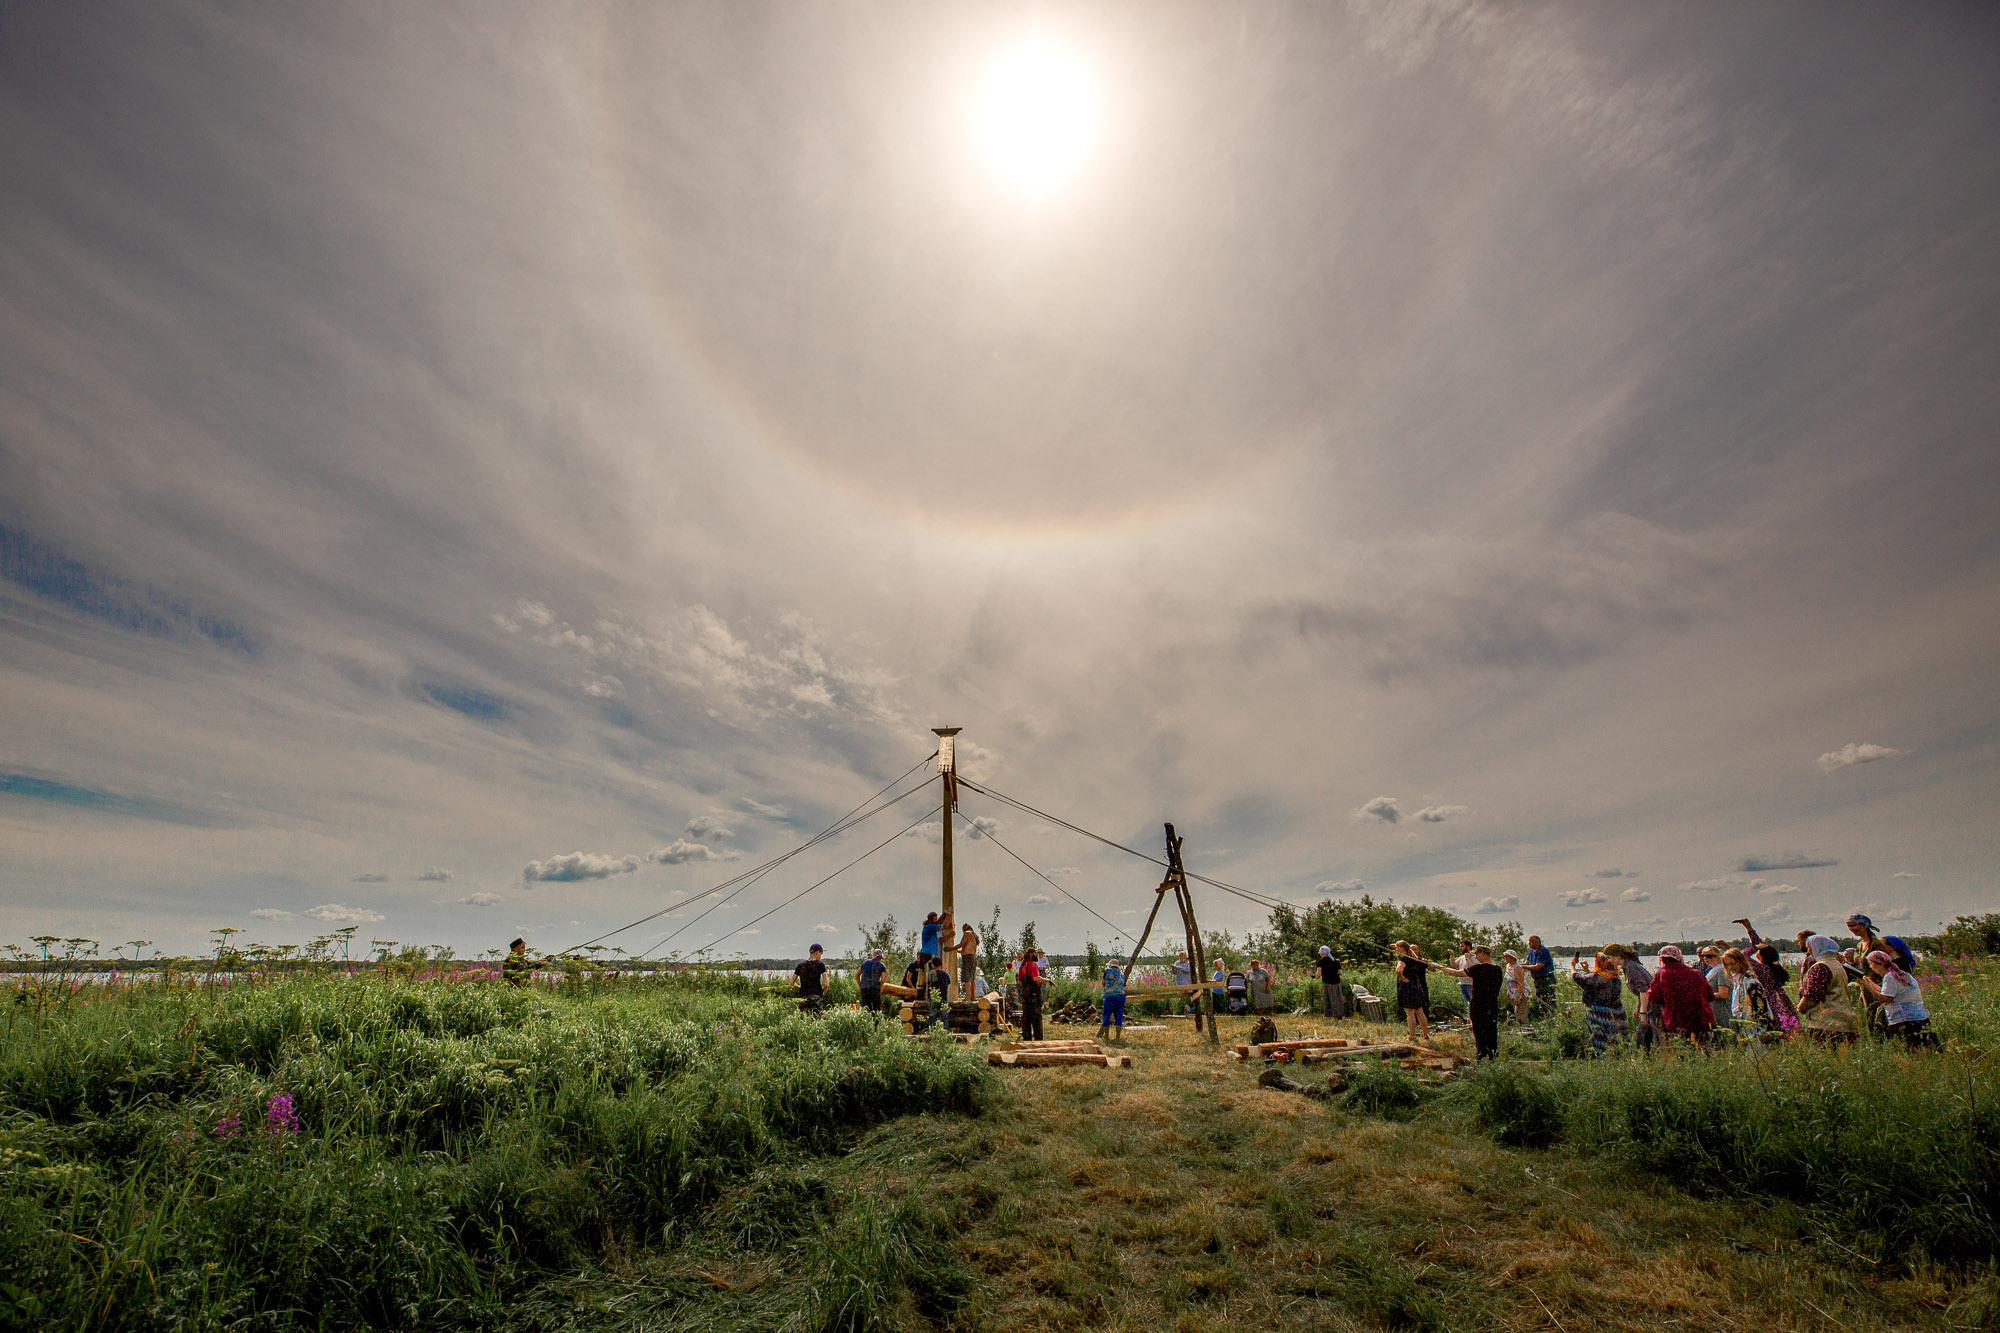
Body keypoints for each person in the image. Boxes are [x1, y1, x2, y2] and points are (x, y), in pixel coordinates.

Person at [1732, 920, 1800, 1033]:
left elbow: (1743, 955)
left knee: (1772, 1032)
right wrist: (1749, 929)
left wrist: (1755, 946)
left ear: (1762, 956)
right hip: (1782, 1000)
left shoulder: (1763, 969)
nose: (1756, 954)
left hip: (1768, 1001)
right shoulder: (1775, 968)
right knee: (1787, 1030)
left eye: (1758, 953)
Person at [1859, 950, 1936, 1048]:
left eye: (1871, 964)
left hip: (1905, 1020)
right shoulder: (1902, 974)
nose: (1870, 967)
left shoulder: (1889, 977)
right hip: (1920, 1017)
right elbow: (1886, 993)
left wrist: (1867, 986)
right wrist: (1869, 983)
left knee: (1912, 1050)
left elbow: (1885, 999)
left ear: (1879, 964)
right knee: (1926, 1049)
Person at [1643, 946, 1714, 1046]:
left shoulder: (1661, 974)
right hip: (1699, 1018)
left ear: (1662, 959)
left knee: (1680, 1050)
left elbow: (1654, 997)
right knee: (1704, 1049)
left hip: (1675, 1020)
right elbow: (1710, 995)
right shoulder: (1696, 973)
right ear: (1679, 957)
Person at [1395, 941, 1464, 1043]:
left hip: (1407, 987)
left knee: (1410, 1013)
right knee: (1420, 1011)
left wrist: (1402, 978)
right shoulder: (1415, 959)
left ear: (1401, 948)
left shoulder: (1403, 959)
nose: (1395, 949)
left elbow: (1398, 970)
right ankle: (1426, 1034)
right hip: (1416, 986)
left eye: (1397, 947)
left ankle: (1412, 1036)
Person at [1796, 934, 1861, 1042]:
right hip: (1844, 1020)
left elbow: (1813, 996)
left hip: (1826, 1023)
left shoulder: (1820, 967)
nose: (1809, 951)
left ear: (1817, 947)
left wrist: (1801, 1007)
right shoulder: (1837, 964)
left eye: (1809, 947)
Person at [1571, 953, 1629, 1054]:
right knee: (1617, 1040)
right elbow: (1596, 982)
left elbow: (1578, 978)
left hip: (1599, 1015)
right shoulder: (1615, 977)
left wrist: (1572, 966)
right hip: (1617, 1014)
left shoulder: (1597, 977)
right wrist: (1587, 970)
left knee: (1601, 1039)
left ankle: (1604, 1059)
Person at [1464, 945, 1505, 1060]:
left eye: (1477, 955)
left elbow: (1469, 969)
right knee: (1491, 1030)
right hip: (1492, 1004)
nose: (1477, 957)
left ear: (1482, 953)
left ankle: (1481, 1056)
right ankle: (1493, 1055)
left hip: (1479, 1004)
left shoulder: (1480, 968)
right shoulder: (1497, 969)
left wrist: (1468, 958)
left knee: (1479, 1031)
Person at [1698, 945, 1734, 1033]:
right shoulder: (1713, 970)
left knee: (1725, 1034)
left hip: (1722, 1010)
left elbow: (1723, 994)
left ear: (1718, 956)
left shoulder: (1722, 971)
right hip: (1713, 1009)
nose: (1705, 958)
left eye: (1709, 956)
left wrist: (1702, 997)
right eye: (1703, 956)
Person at [1017, 947, 1046, 1041]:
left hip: (1025, 996)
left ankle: (1027, 1040)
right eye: (1035, 953)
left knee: (1026, 1019)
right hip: (1034, 996)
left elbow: (1020, 982)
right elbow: (1035, 978)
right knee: (1036, 1020)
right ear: (1030, 954)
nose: (1036, 955)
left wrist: (1025, 990)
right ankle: (1038, 1042)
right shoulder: (1032, 965)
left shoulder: (1022, 966)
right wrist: (1047, 980)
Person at [1524, 935, 1557, 1014]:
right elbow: (1527, 963)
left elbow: (1538, 967)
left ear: (1537, 942)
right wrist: (1515, 965)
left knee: (1548, 998)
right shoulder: (1532, 951)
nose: (1528, 943)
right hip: (1537, 980)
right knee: (1540, 999)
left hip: (1546, 979)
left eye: (1530, 941)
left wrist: (1522, 967)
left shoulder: (1543, 950)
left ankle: (1552, 1017)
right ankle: (1545, 1017)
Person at [793, 944, 829, 1015]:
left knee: (804, 1019)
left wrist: (799, 987)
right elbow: (826, 984)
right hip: (816, 997)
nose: (820, 957)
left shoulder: (801, 965)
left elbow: (791, 982)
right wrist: (822, 992)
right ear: (817, 952)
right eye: (820, 954)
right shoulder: (820, 964)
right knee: (817, 1020)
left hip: (803, 997)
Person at [1097, 959, 1126, 1042]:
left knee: (1106, 1015)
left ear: (1110, 965)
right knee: (1119, 1016)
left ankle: (1106, 1036)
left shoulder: (1107, 971)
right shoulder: (1121, 973)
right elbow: (1123, 984)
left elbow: (1103, 983)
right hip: (1121, 996)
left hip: (1110, 996)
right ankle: (1117, 1037)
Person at [1315, 945, 1346, 1019]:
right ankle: (1338, 1015)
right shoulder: (1334, 961)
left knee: (1328, 999)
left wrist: (1315, 977)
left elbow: (1318, 974)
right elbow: (1340, 972)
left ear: (1322, 954)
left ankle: (1329, 1015)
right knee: (1337, 999)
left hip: (1327, 982)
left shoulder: (1320, 962)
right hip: (1336, 982)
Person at [1502, 950, 1531, 1024]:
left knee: (1521, 1013)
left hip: (1521, 993)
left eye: (1507, 956)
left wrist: (1518, 996)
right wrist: (1508, 991)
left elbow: (1520, 983)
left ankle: (1526, 1029)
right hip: (1513, 993)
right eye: (1504, 956)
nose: (1505, 958)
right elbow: (1508, 980)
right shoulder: (1507, 966)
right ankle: (1521, 1029)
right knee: (1516, 1012)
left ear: (1512, 957)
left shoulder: (1517, 968)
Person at [856, 948, 887, 1013]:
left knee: (866, 1008)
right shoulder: (882, 965)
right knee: (877, 1009)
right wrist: (880, 986)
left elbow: (857, 975)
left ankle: (867, 1022)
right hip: (875, 988)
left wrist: (860, 985)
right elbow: (883, 979)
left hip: (864, 988)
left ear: (873, 955)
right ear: (880, 957)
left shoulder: (865, 963)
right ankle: (876, 1022)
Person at [926, 954, 953, 1030]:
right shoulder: (946, 974)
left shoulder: (931, 974)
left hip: (934, 997)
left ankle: (932, 1033)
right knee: (945, 1017)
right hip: (944, 997)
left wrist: (927, 997)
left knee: (933, 1017)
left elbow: (928, 985)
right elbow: (948, 985)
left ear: (933, 964)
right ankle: (947, 1032)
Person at [956, 922, 980, 998]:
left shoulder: (967, 933)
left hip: (967, 957)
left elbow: (961, 944)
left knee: (967, 979)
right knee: (972, 978)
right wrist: (959, 951)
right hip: (973, 956)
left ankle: (968, 997)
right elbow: (968, 949)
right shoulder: (974, 935)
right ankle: (973, 997)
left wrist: (951, 948)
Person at [1455, 939, 1479, 1012]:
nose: (1460, 948)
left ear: (1468, 947)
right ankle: (1469, 1019)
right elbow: (1454, 965)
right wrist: (1451, 955)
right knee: (1467, 1004)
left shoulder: (1475, 957)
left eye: (1462, 946)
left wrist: (1468, 958)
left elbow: (1474, 968)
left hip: (1472, 984)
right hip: (1463, 984)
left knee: (1474, 1003)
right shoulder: (1461, 957)